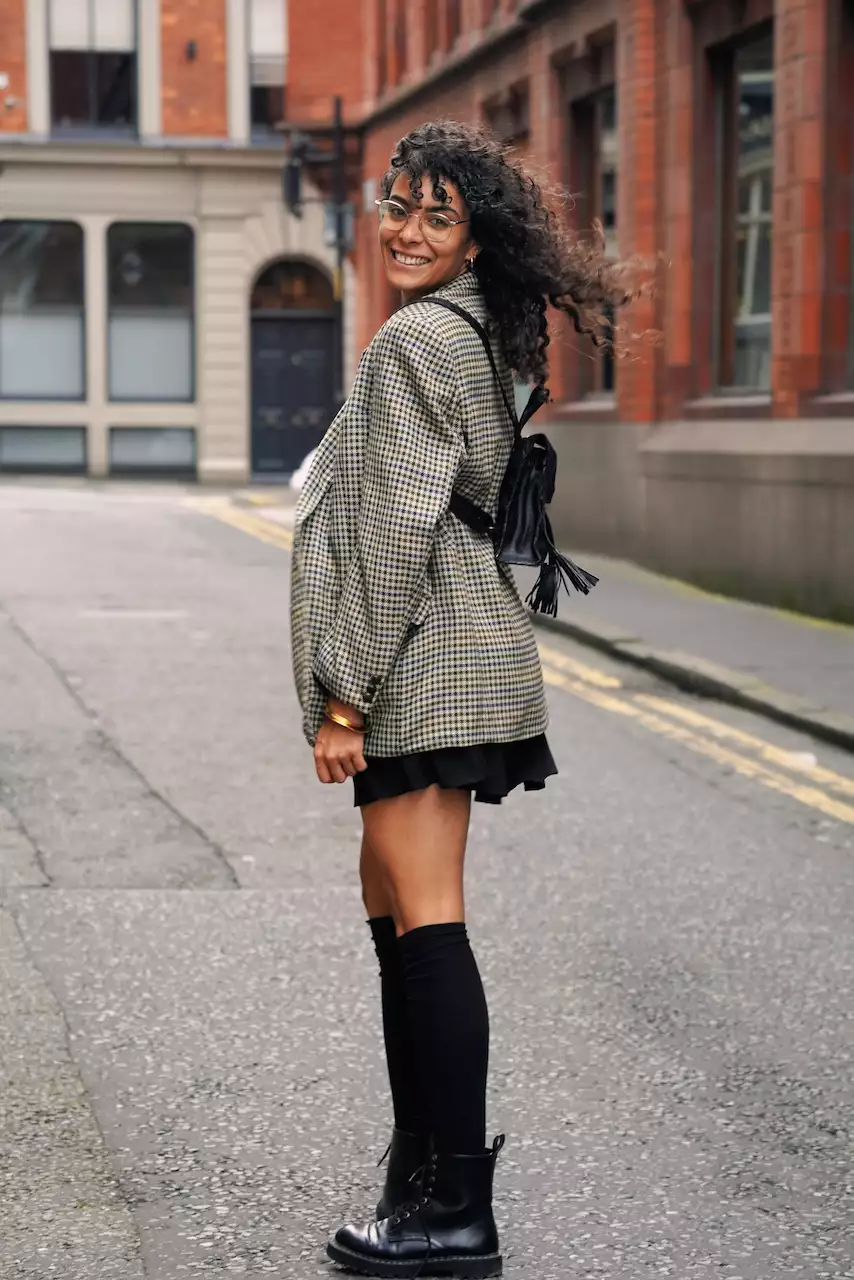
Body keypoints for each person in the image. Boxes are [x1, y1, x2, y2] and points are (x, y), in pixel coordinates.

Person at [290, 120, 631, 1279]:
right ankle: (418, 1172)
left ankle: (452, 1209)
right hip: (452, 649)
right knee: (394, 909)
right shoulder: (472, 330)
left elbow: (394, 532)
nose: (406, 230)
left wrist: (344, 694)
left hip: (423, 661)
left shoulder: (416, 340)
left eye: (437, 216)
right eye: (398, 205)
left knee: (424, 919)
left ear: (475, 239)